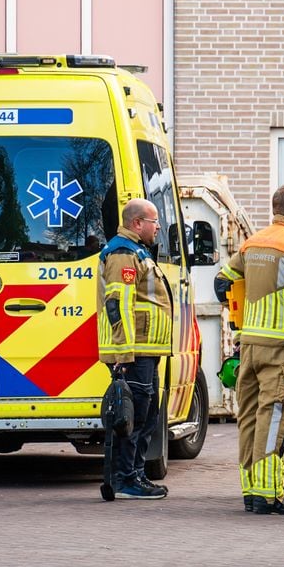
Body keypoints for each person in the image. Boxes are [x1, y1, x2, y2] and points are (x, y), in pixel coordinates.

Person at [215, 185, 284, 515]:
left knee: (248, 416)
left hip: (250, 345)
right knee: (273, 417)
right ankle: (268, 495)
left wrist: (239, 322)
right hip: (282, 346)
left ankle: (251, 491)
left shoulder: (252, 242)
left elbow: (222, 282)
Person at [96, 198, 173, 500]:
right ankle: (125, 479)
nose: (158, 227)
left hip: (144, 350)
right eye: (154, 222)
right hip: (133, 352)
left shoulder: (136, 251)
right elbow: (119, 305)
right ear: (137, 223)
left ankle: (135, 474)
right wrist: (124, 355)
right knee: (133, 418)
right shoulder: (123, 253)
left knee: (146, 416)